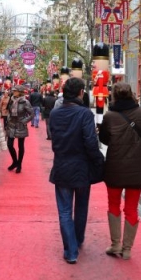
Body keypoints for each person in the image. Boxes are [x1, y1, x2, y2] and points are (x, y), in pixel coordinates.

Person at [49, 77, 105, 264]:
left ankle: (71, 250)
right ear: (81, 92)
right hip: (81, 166)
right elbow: (90, 142)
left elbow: (54, 140)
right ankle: (77, 239)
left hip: (62, 165)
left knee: (64, 210)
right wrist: (99, 161)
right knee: (81, 206)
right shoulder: (84, 114)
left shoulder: (56, 114)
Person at [99, 82, 141, 260]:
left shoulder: (109, 116)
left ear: (114, 96)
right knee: (132, 207)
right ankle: (127, 248)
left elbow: (105, 140)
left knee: (113, 204)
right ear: (131, 94)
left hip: (115, 166)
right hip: (138, 167)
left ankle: (115, 244)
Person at [6, 85, 34, 173]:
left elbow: (31, 114)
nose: (13, 92)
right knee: (9, 144)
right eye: (13, 90)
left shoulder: (25, 102)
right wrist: (8, 118)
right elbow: (9, 111)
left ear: (20, 92)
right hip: (11, 124)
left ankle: (19, 164)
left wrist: (24, 121)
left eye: (15, 91)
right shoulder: (11, 100)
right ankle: (15, 161)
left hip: (20, 124)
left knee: (20, 146)